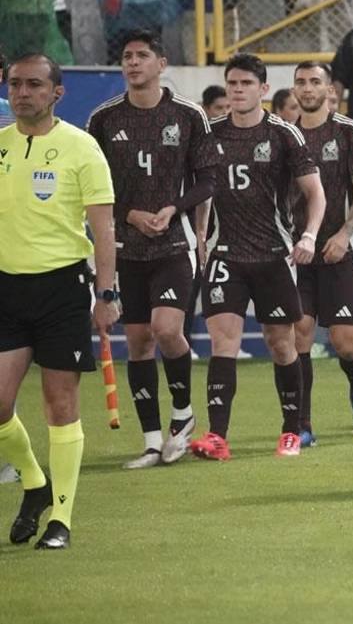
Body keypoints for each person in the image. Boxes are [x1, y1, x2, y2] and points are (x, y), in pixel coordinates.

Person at [0, 53, 118, 549]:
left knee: (60, 403)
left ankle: (61, 519)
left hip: (63, 288)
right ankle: (34, 483)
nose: (22, 92)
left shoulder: (82, 148)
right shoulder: (0, 145)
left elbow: (104, 229)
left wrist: (107, 293)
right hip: (6, 287)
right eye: (14, 84)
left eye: (33, 84)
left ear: (57, 93)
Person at [85, 29, 216, 469]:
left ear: (162, 64)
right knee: (138, 342)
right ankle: (152, 441)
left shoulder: (188, 115)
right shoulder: (103, 119)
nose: (133, 63)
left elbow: (208, 180)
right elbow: (89, 187)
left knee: (165, 330)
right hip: (124, 247)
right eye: (127, 56)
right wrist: (130, 213)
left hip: (175, 243)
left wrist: (173, 207)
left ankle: (182, 413)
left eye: (142, 55)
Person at [188, 53, 326, 461]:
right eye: (232, 83)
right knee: (222, 340)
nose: (238, 90)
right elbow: (202, 189)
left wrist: (309, 235)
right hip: (225, 254)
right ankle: (217, 436)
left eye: (247, 84)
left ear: (263, 90)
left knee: (280, 342)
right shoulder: (208, 134)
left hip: (273, 255)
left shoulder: (284, 135)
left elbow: (316, 193)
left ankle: (291, 430)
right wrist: (199, 234)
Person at [289, 60, 353, 445]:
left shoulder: (348, 131)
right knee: (300, 333)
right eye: (301, 82)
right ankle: (303, 425)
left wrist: (344, 233)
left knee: (344, 342)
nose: (307, 88)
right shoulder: (286, 135)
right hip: (297, 253)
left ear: (329, 90)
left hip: (339, 251)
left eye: (315, 82)